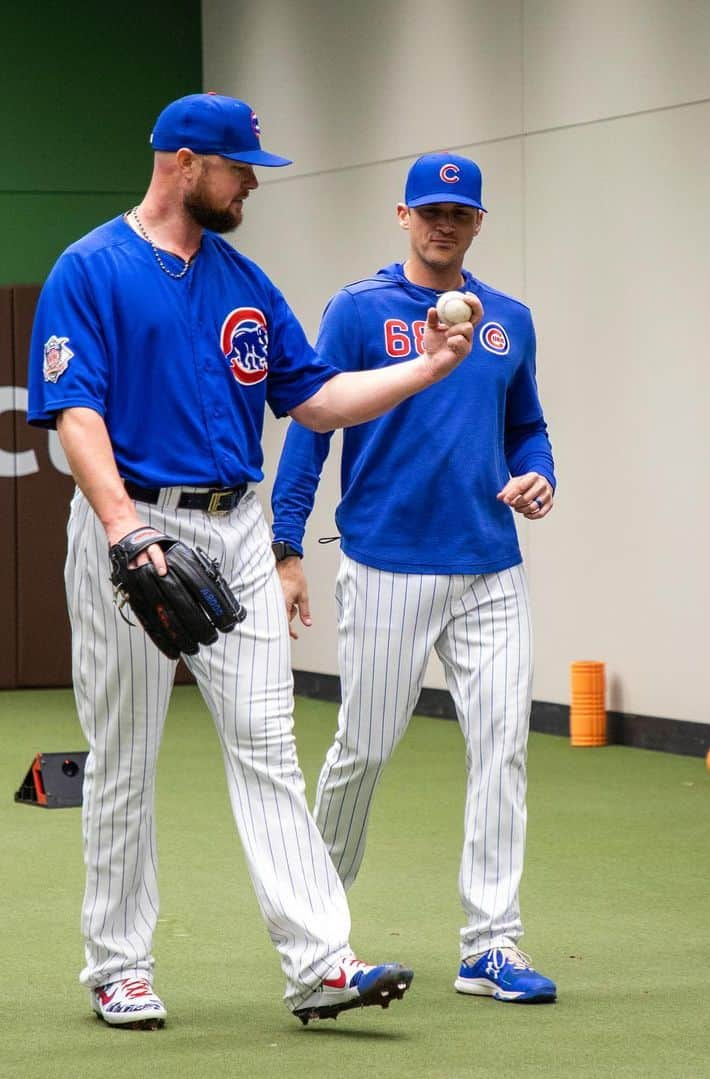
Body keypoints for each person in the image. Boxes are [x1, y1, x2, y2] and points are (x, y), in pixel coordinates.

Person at [26, 94, 482, 1029]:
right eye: (239, 171)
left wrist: (428, 368)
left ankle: (320, 960)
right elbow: (78, 416)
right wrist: (123, 528)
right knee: (123, 754)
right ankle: (118, 965)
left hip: (233, 529)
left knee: (270, 745)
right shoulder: (91, 268)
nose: (250, 188)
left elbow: (315, 399)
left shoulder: (245, 281)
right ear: (185, 163)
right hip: (134, 522)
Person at [270, 152, 558, 1004]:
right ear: (402, 215)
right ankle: (314, 935)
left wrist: (539, 472)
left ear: (477, 224)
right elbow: (311, 427)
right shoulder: (358, 311)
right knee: (363, 748)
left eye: (459, 213)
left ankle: (491, 945)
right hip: (386, 562)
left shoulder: (508, 319)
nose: (444, 223)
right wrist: (287, 543)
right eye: (430, 210)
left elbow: (529, 426)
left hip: (490, 568)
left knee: (502, 749)